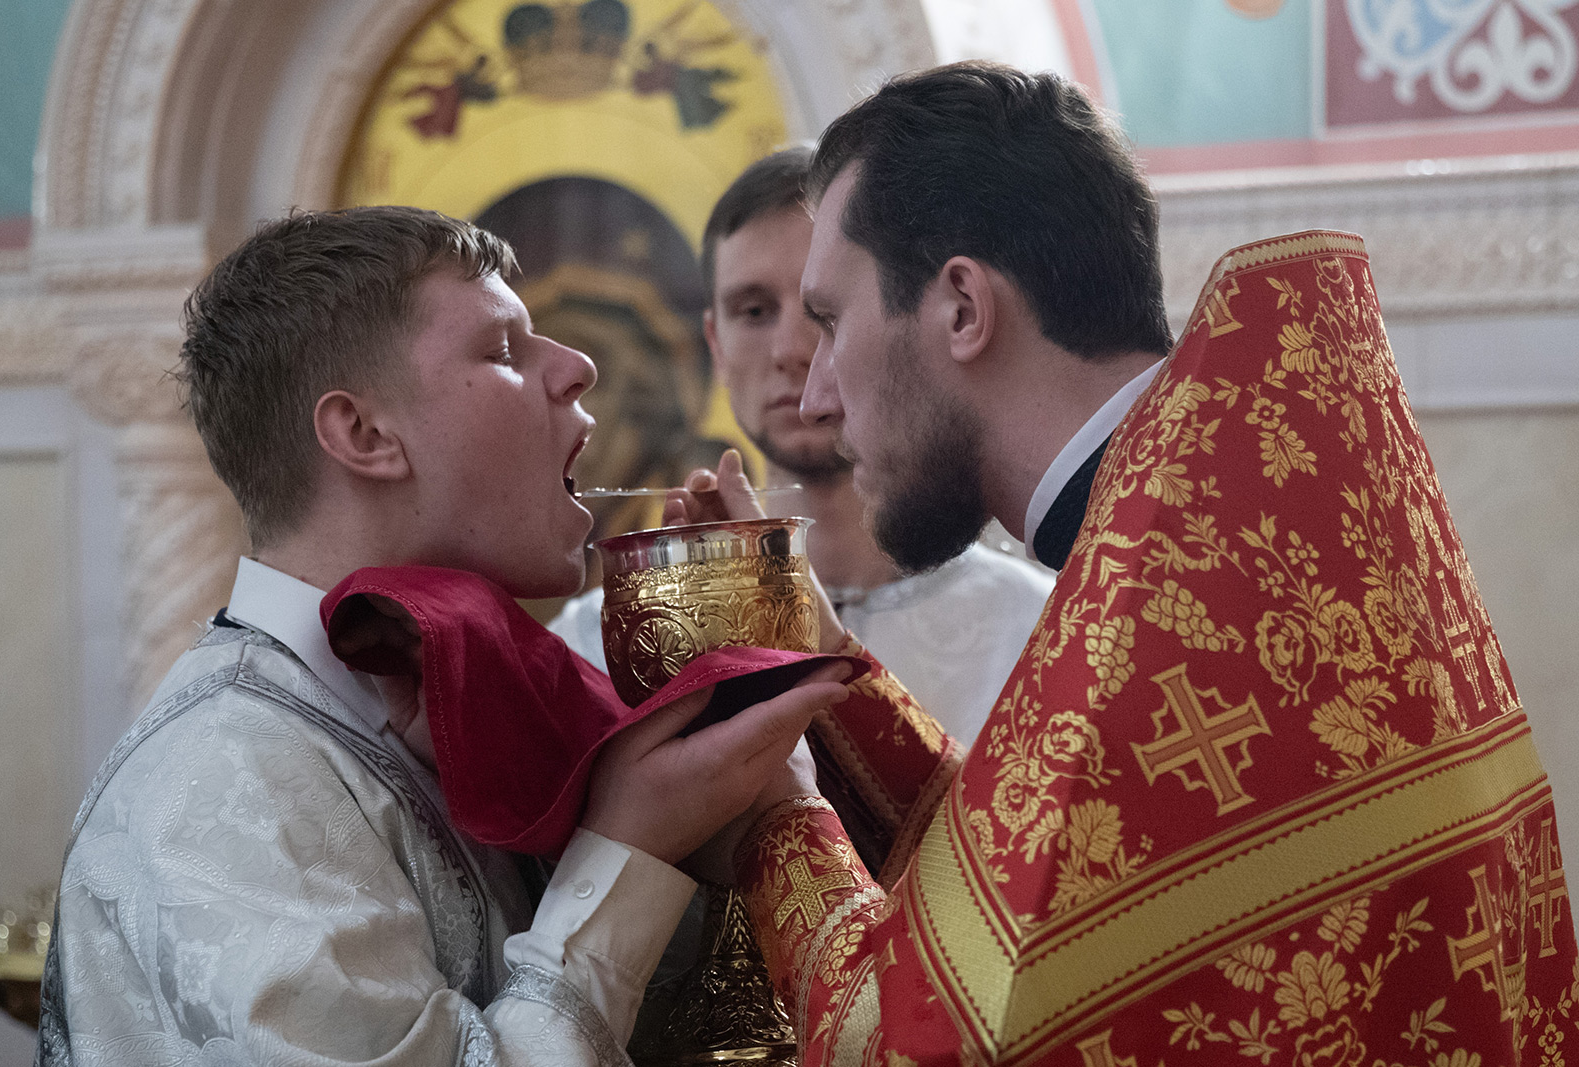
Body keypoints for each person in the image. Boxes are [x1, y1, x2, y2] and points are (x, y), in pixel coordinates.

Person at [664, 63, 1577, 1063]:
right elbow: (1062, 870)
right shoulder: (1239, 520)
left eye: (833, 320)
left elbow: (922, 1042)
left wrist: (779, 808)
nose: (818, 395)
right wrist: (819, 660)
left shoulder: (1173, 600)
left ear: (962, 306)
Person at [38, 206, 850, 1067]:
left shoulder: (452, 705)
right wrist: (627, 848)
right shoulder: (223, 782)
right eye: (502, 349)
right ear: (365, 435)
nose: (578, 366)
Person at [550, 147, 1055, 747]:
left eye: (826, 309)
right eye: (754, 311)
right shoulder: (598, 647)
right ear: (716, 344)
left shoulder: (1039, 633)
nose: (793, 350)